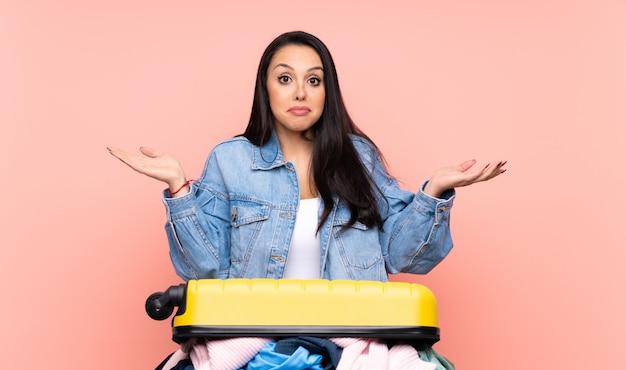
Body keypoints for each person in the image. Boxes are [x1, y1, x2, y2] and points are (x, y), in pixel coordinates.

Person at [108, 30, 505, 283]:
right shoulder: (230, 160)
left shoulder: (360, 158)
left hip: (352, 343)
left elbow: (406, 258)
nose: (300, 92)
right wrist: (179, 190)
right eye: (285, 78)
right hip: (257, 343)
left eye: (313, 80)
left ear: (326, 91)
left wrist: (434, 192)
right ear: (266, 90)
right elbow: (202, 269)